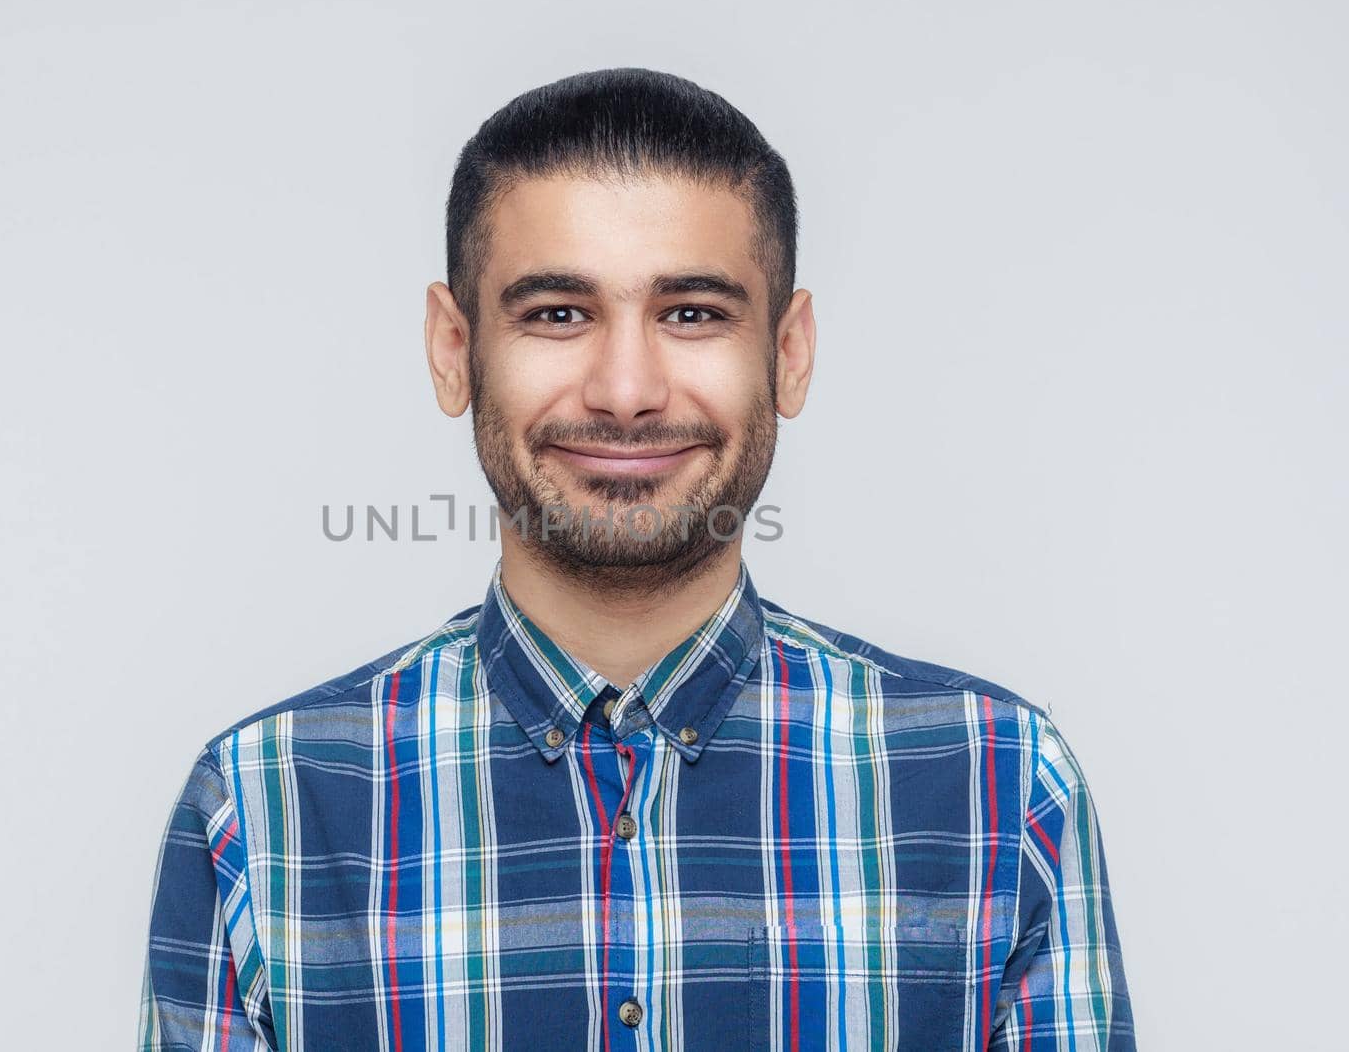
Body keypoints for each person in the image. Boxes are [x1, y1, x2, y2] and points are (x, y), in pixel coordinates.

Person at [137, 67, 1135, 1051]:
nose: (624, 389)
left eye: (692, 312)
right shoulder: (265, 806)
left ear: (787, 354)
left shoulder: (998, 783)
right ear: (454, 348)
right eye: (557, 313)